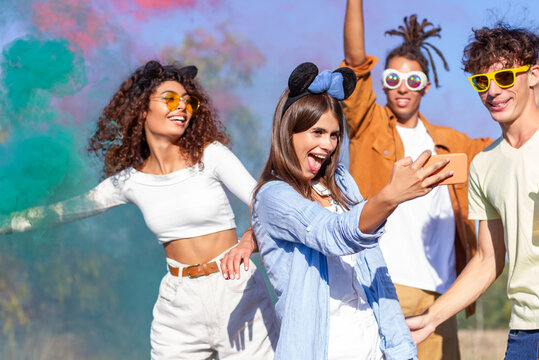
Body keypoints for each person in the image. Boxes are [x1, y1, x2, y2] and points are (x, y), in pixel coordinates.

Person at [1, 60, 279, 359]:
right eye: (171, 99)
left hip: (235, 291)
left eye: (189, 102)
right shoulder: (129, 181)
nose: (182, 107)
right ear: (142, 109)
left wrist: (249, 239)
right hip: (178, 303)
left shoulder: (210, 156)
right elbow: (62, 212)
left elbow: (266, 205)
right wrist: (7, 222)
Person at [251, 61, 454, 360]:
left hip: (374, 347)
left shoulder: (342, 182)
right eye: (317, 132)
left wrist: (398, 345)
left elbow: (376, 269)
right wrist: (391, 197)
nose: (327, 145)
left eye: (334, 135)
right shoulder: (273, 195)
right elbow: (333, 233)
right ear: (287, 131)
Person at [341, 1, 491, 358]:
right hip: (378, 284)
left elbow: (514, 141)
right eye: (392, 79)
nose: (402, 88)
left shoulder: (454, 144)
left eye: (413, 80)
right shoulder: (368, 125)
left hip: (439, 296)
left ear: (426, 86)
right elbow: (355, 60)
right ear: (383, 85)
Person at [407, 25, 539, 360]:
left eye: (505, 77)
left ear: (533, 75)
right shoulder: (483, 165)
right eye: (482, 82)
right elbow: (487, 259)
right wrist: (430, 318)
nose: (493, 91)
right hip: (525, 331)